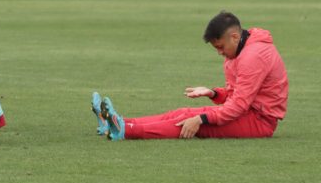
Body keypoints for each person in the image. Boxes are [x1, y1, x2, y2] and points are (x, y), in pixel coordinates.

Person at [92, 11, 289, 141]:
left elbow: (238, 106)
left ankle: (125, 130)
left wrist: (202, 118)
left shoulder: (253, 57)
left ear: (235, 37)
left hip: (260, 122)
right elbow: (234, 96)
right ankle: (117, 123)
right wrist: (213, 93)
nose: (220, 52)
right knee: (182, 112)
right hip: (248, 113)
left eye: (220, 47)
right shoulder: (238, 51)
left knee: (191, 122)